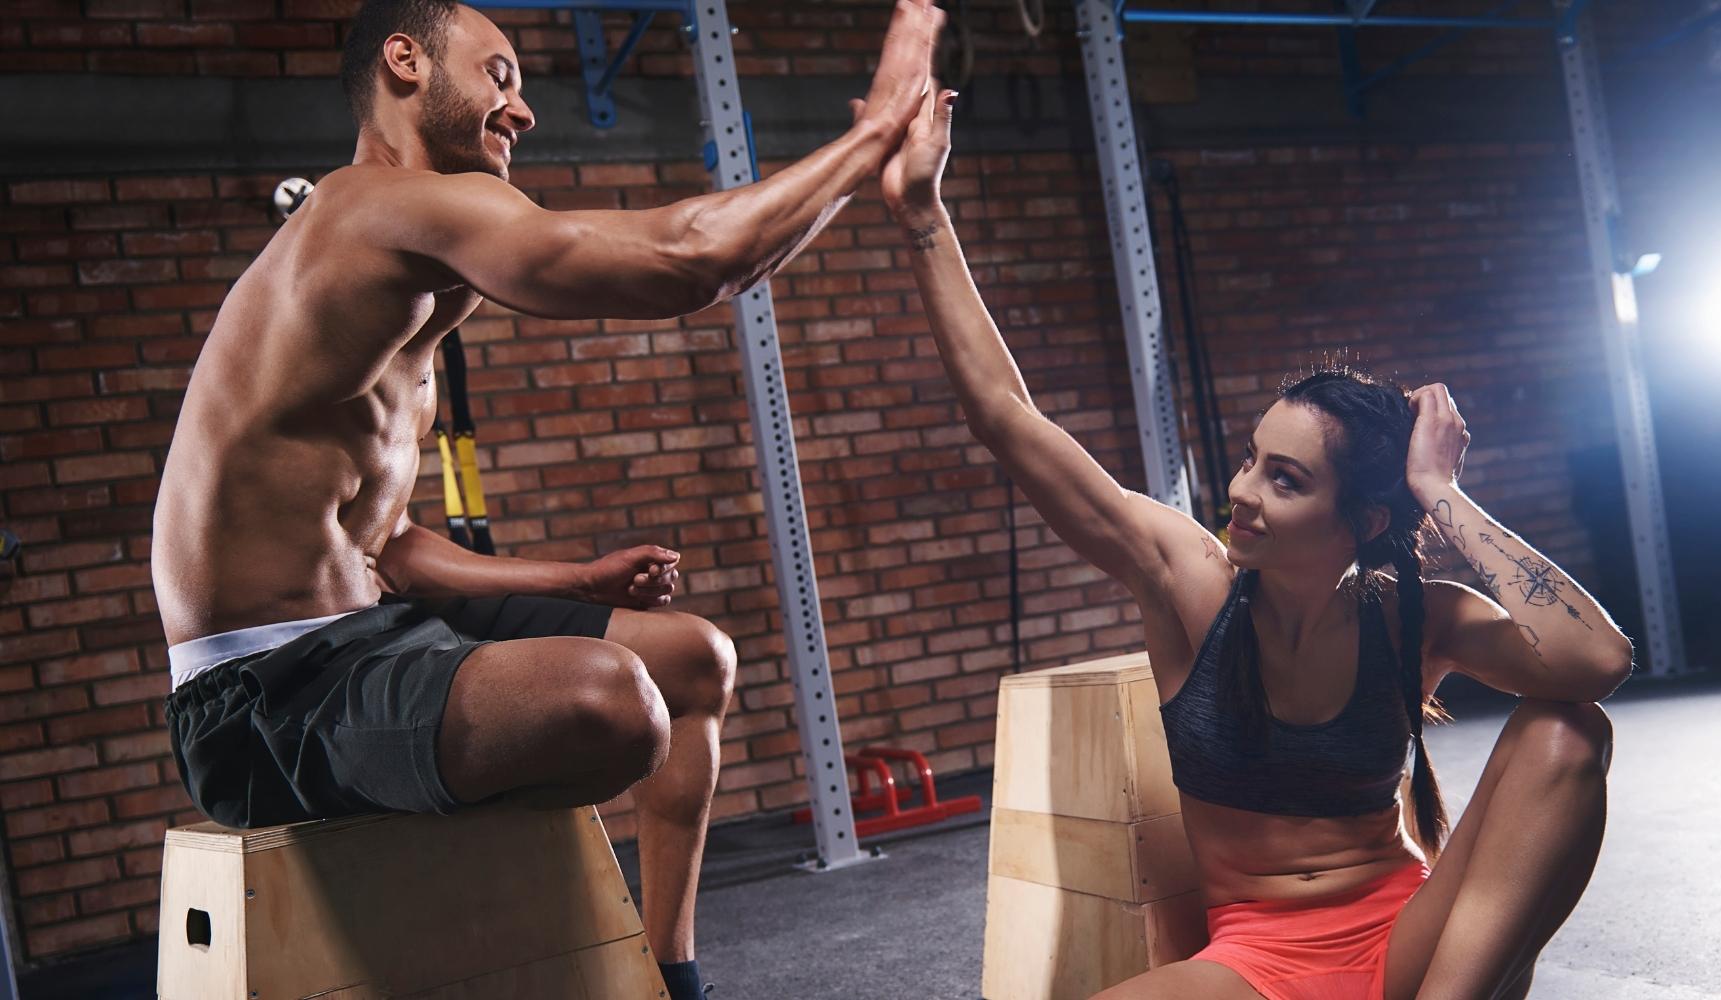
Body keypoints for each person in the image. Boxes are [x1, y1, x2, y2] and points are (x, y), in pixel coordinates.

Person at [150, 2, 943, 996]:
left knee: (693, 659)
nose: (521, 109)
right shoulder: (368, 209)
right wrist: (875, 133)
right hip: (261, 697)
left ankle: (669, 977)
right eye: (500, 75)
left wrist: (573, 578)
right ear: (406, 61)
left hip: (367, 627)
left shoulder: (415, 281)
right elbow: (690, 259)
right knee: (613, 703)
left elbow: (385, 542)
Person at [876, 86, 1632, 1000]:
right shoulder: (1189, 579)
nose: (1242, 492)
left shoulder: (1417, 619)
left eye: (1287, 479)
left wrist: (1443, 491)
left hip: (1417, 949)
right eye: (1250, 459)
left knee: (1567, 733)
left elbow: (1595, 663)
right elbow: (1007, 418)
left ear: (1367, 522)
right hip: (1258, 961)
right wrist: (923, 214)